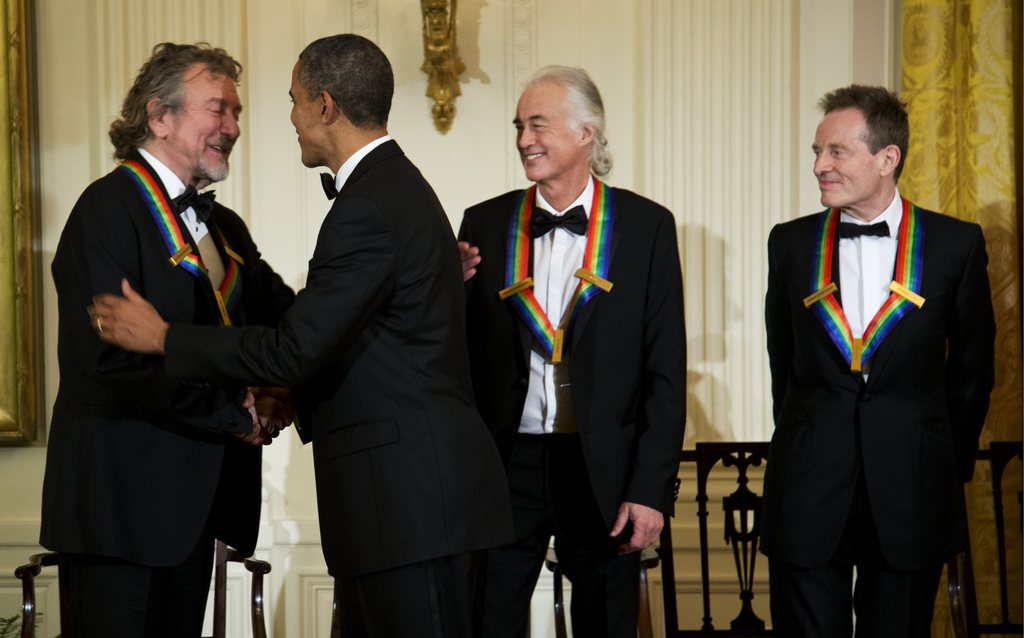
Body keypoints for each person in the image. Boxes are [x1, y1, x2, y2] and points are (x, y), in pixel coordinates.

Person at [90, 34, 514, 638]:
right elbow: (316, 335)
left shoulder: (369, 206)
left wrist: (165, 338)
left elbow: (294, 346)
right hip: (406, 509)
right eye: (222, 109)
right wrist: (277, 396)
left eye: (291, 101)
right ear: (159, 118)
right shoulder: (391, 192)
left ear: (324, 105)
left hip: (412, 509)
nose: (280, 118)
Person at [42, 42, 295, 636]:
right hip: (117, 506)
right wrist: (234, 416)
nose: (233, 127)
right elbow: (112, 362)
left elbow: (285, 320)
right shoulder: (105, 210)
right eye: (218, 110)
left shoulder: (223, 225)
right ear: (159, 117)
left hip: (194, 507)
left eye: (236, 113)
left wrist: (411, 278)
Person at [457, 65, 687, 638]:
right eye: (518, 126)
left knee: (607, 622)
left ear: (587, 132)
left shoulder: (645, 227)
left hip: (601, 466)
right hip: (506, 464)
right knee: (489, 618)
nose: (524, 139)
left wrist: (649, 489)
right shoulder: (484, 223)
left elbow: (665, 370)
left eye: (539, 124)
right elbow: (459, 356)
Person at [762, 84, 996, 636]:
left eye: (836, 152)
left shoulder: (954, 244)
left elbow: (972, 374)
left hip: (912, 489)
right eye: (817, 152)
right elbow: (783, 363)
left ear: (887, 158)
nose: (820, 165)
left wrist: (940, 463)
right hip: (807, 488)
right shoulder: (789, 244)